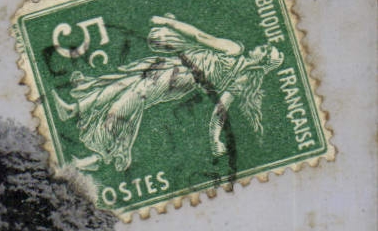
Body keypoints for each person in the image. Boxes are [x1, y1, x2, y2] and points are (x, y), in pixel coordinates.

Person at [51, 14, 284, 174]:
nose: (259, 46)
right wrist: (214, 138)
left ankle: (100, 155)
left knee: (131, 98)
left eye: (263, 49)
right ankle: (74, 109)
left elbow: (200, 37)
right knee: (124, 82)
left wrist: (167, 22)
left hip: (179, 76)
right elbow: (219, 112)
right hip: (174, 69)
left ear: (261, 60)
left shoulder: (235, 51)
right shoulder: (241, 77)